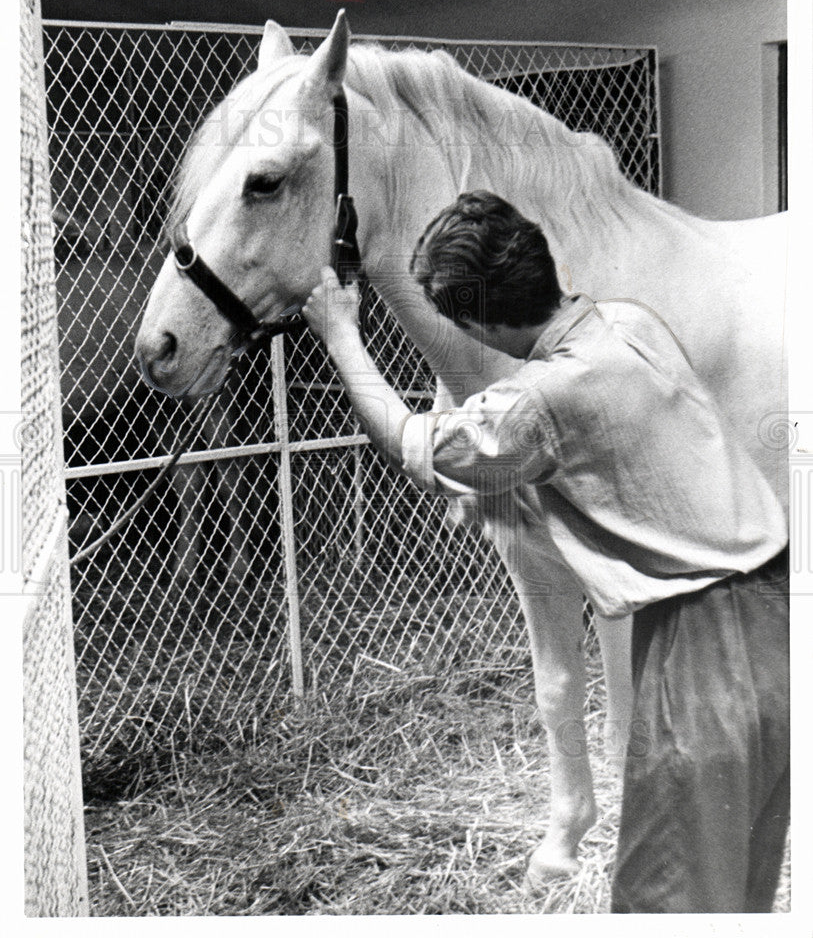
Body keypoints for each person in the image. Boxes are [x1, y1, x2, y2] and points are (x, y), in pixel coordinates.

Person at [302, 190, 789, 913]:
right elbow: (613, 459)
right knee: (736, 892)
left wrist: (342, 336)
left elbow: (407, 440)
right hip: (779, 627)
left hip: (700, 652)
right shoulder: (630, 324)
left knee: (671, 902)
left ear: (477, 323)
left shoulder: (540, 400)